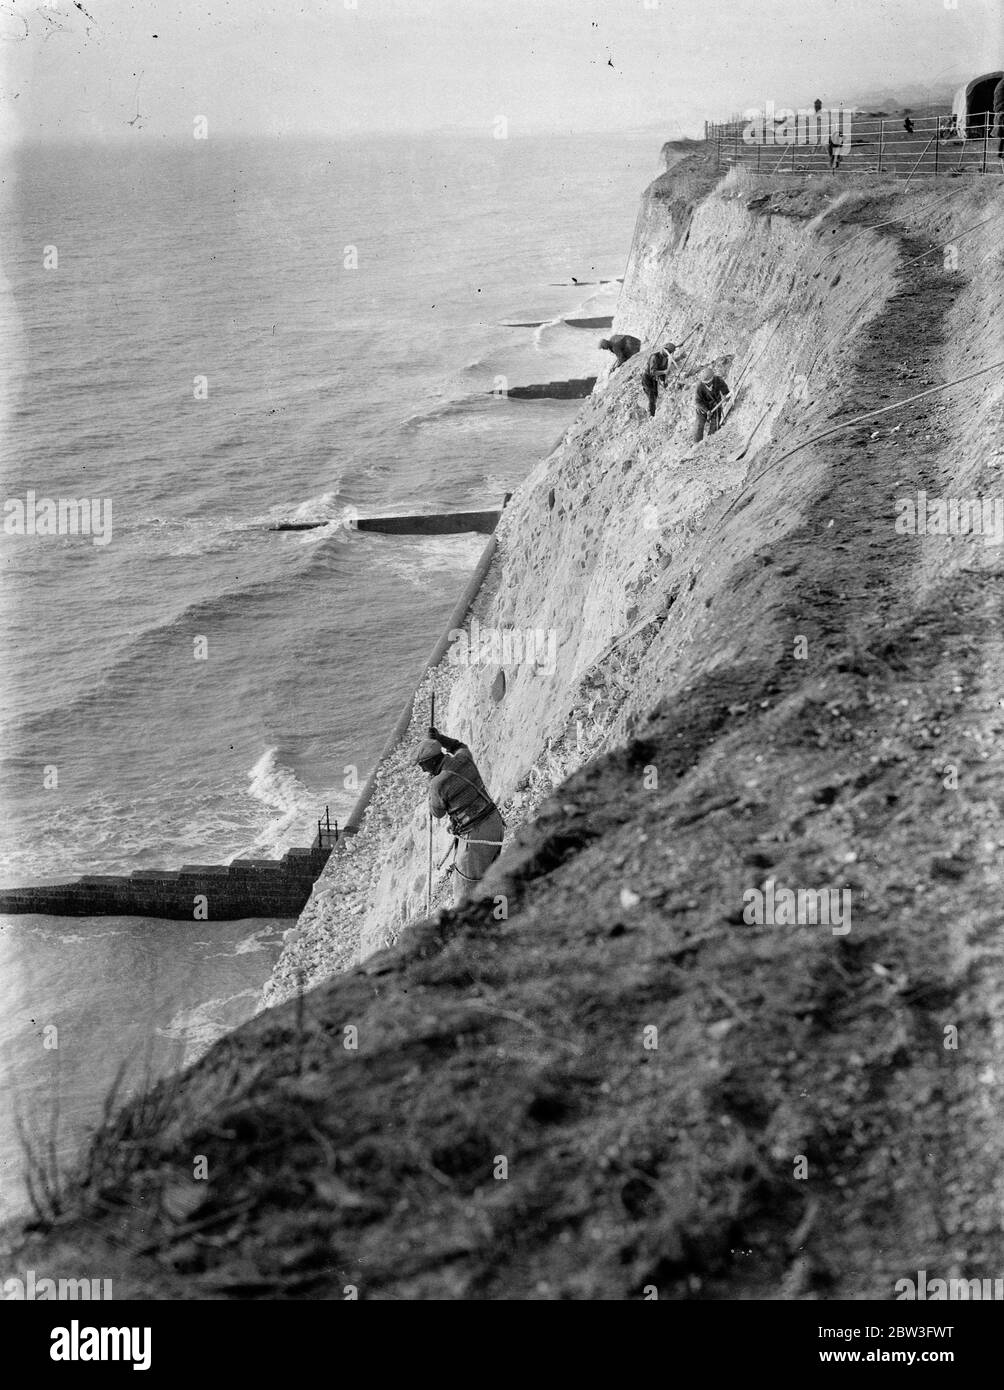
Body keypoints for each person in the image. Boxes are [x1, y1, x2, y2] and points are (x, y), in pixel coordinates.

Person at [415, 726, 505, 906]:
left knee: (464, 896)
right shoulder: (464, 758)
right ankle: (500, 918)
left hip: (475, 838)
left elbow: (437, 812)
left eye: (423, 765)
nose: (423, 770)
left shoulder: (437, 784)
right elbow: (458, 745)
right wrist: (440, 739)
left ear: (432, 762)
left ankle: (472, 930)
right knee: (492, 878)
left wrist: (431, 784)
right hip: (495, 823)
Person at [694, 366, 731, 443]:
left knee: (714, 428)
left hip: (715, 406)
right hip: (703, 409)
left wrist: (726, 397)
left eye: (710, 381)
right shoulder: (699, 386)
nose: (708, 384)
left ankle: (709, 443)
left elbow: (727, 392)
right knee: (699, 427)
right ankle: (696, 445)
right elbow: (697, 401)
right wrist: (706, 411)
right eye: (706, 383)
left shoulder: (718, 380)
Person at [641, 342, 678, 417]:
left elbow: (663, 372)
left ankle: (652, 411)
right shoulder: (655, 357)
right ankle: (651, 414)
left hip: (654, 378)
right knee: (651, 395)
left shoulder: (665, 359)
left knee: (655, 395)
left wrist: (663, 381)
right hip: (647, 378)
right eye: (669, 352)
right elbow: (653, 372)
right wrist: (664, 372)